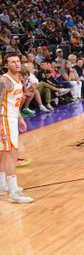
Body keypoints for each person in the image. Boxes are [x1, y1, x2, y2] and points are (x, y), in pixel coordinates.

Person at [0, 52, 34, 203]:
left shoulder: (18, 79)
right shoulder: (4, 81)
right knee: (10, 153)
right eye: (13, 62)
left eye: (18, 61)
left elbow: (14, 102)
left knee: (4, 153)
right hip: (5, 119)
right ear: (7, 64)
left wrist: (20, 118)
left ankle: (2, 185)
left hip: (13, 117)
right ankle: (13, 192)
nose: (17, 64)